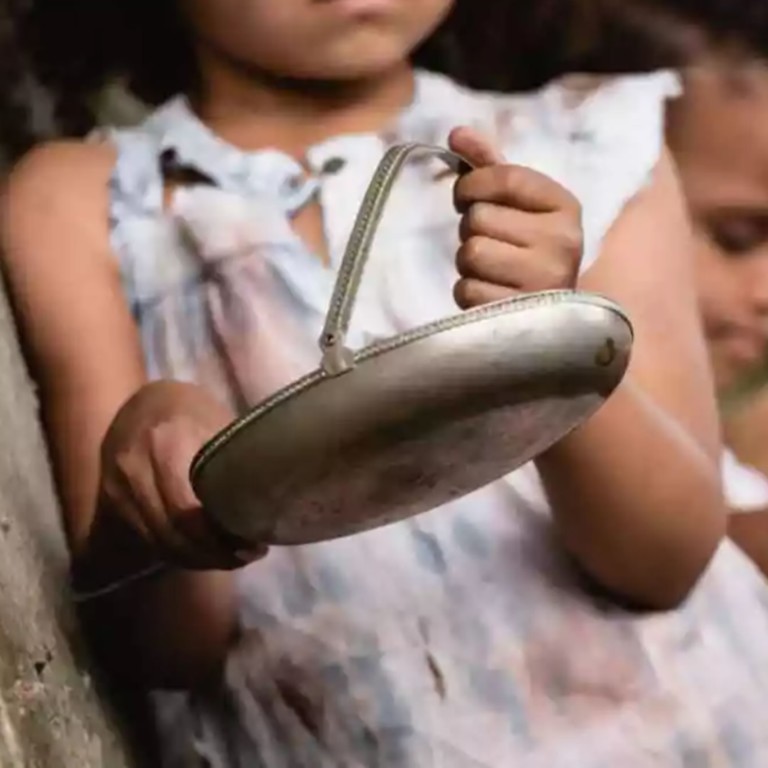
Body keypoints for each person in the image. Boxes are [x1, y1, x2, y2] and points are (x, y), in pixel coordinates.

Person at [4, 0, 768, 764]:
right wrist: (151, 451)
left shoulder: (589, 139)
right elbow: (165, 651)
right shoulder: (85, 206)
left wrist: (549, 336)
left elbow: (661, 561)